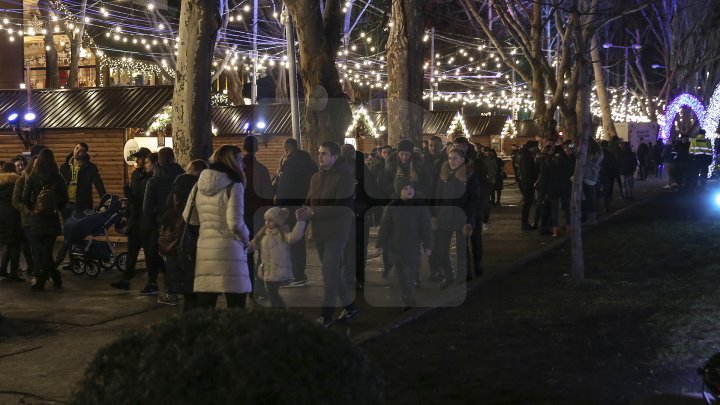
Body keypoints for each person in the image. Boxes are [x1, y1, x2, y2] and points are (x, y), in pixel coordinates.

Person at [185, 145, 251, 309]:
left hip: (205, 251)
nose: (243, 164)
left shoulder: (198, 185)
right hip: (231, 251)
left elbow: (188, 217)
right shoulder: (234, 185)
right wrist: (246, 240)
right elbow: (235, 223)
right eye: (240, 160)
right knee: (236, 306)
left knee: (206, 306)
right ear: (232, 161)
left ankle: (207, 335)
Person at [299, 141, 357, 328]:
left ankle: (327, 315)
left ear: (335, 157)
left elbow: (341, 207)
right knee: (332, 272)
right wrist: (303, 210)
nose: (320, 157)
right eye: (319, 153)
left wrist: (314, 213)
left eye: (324, 153)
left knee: (328, 273)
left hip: (337, 230)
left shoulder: (345, 177)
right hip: (319, 230)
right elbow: (309, 200)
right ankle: (350, 307)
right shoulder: (316, 177)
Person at [110, 149, 163, 295]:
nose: (139, 161)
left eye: (142, 159)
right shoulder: (137, 175)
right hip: (136, 220)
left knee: (150, 254)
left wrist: (126, 189)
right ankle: (126, 280)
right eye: (139, 159)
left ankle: (154, 282)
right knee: (133, 251)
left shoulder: (151, 179)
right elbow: (134, 202)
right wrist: (127, 213)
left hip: (146, 222)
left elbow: (138, 199)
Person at [376, 177, 432, 310]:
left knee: (409, 274)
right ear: (399, 191)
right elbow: (385, 226)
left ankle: (407, 298)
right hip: (396, 247)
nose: (409, 191)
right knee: (401, 276)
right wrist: (380, 244)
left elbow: (426, 227)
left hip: (413, 247)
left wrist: (428, 245)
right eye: (405, 188)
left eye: (410, 187)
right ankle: (407, 298)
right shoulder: (392, 207)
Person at [433, 148, 480, 289]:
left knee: (461, 249)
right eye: (449, 158)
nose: (451, 161)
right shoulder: (444, 174)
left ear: (462, 159)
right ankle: (448, 275)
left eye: (454, 158)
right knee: (441, 249)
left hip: (461, 216)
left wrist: (469, 218)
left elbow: (474, 198)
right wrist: (436, 214)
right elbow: (438, 196)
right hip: (445, 216)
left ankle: (462, 276)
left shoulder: (469, 175)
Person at [143, 147, 185, 304]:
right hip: (182, 223)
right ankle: (183, 289)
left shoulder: (153, 181)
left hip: (163, 225)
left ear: (158, 161)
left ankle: (170, 291)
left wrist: (149, 226)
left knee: (168, 257)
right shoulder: (182, 176)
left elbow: (147, 208)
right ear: (173, 158)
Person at [22, 148, 68, 291]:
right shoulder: (58, 176)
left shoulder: (33, 176)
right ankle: (55, 278)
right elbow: (65, 198)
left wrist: (34, 208)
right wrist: (56, 207)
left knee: (42, 252)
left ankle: (43, 281)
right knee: (47, 252)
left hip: (36, 220)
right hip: (52, 220)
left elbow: (24, 198)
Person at [274, 138, 318, 287]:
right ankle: (297, 274)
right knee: (296, 241)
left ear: (286, 149)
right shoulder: (308, 162)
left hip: (292, 208)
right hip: (301, 206)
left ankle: (298, 275)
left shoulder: (291, 163)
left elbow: (286, 187)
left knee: (294, 242)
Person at [165, 159, 207, 312]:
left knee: (184, 268)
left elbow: (167, 209)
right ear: (200, 171)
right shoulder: (200, 187)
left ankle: (183, 300)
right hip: (197, 233)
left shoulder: (176, 186)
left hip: (179, 232)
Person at [55, 143, 106, 269]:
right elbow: (58, 186)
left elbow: (98, 184)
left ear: (85, 154)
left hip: (81, 206)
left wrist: (105, 200)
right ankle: (74, 261)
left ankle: (57, 262)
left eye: (81, 150)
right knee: (69, 234)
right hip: (66, 205)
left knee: (71, 235)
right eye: (77, 148)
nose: (78, 151)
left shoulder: (90, 167)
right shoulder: (65, 166)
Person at [248, 207, 308, 308]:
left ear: (278, 221)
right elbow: (252, 245)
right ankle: (279, 311)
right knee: (272, 294)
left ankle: (281, 311)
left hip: (279, 270)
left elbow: (294, 237)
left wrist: (300, 222)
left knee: (273, 293)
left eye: (270, 220)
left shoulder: (281, 234)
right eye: (266, 220)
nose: (267, 223)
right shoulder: (263, 235)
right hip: (267, 271)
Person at [242, 135, 274, 298]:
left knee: (246, 252)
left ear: (243, 147)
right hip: (259, 215)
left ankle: (249, 286)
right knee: (262, 251)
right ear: (258, 149)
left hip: (241, 215)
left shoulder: (238, 169)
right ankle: (260, 286)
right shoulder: (261, 169)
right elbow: (268, 195)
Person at [11, 154, 33, 277]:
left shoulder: (26, 179)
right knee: (18, 245)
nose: (20, 167)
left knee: (27, 244)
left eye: (22, 165)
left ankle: (31, 265)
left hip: (25, 218)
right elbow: (15, 200)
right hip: (15, 217)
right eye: (18, 166)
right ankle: (16, 268)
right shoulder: (13, 181)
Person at [0, 162, 23, 281]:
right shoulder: (16, 182)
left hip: (1, 216)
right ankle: (14, 272)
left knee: (8, 244)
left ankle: (3, 270)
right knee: (16, 245)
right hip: (13, 216)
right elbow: (20, 199)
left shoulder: (1, 183)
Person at [518, 140, 539, 230]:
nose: (537, 148)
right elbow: (528, 170)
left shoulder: (525, 155)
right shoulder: (527, 157)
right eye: (536, 146)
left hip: (526, 181)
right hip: (528, 182)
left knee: (528, 203)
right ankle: (524, 223)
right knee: (527, 203)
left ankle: (525, 222)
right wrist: (532, 180)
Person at [582, 137, 603, 225]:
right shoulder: (598, 150)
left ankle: (591, 219)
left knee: (589, 198)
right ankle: (591, 218)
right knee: (591, 198)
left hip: (589, 177)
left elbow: (593, 163)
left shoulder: (594, 152)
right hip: (592, 177)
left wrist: (585, 161)